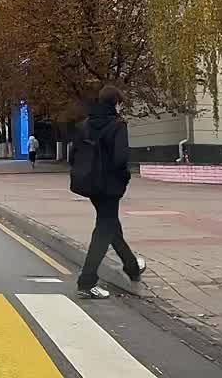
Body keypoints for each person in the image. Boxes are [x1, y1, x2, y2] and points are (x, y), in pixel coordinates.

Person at [69, 84, 146, 299]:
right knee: (104, 229)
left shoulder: (85, 125)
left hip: (90, 185)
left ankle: (131, 267)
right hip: (110, 186)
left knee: (110, 224)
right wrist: (125, 178)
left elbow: (72, 156)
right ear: (116, 103)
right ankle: (87, 281)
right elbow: (121, 159)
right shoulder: (118, 125)